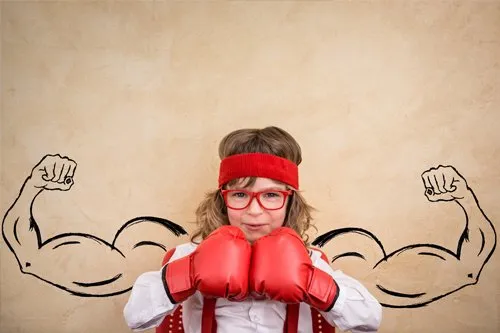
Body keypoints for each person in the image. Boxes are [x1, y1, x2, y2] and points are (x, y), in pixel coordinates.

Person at [123, 126, 382, 333]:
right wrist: (190, 271)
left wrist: (312, 282)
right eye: (239, 195)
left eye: (270, 195)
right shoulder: (188, 254)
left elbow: (369, 320)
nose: (254, 211)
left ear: (290, 200)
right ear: (222, 199)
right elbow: (136, 317)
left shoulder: (311, 261)